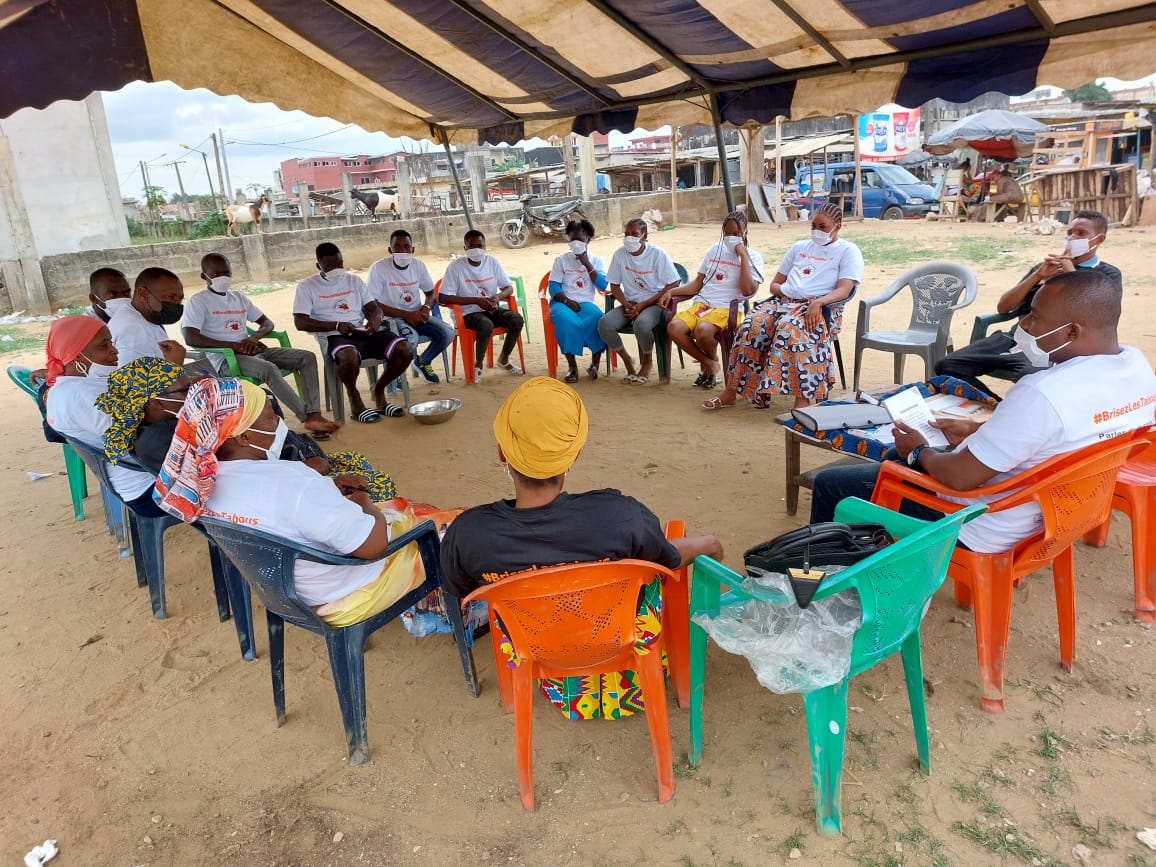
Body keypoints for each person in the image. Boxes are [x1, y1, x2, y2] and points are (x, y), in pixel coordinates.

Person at [809, 270, 1156, 554]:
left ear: (1071, 331)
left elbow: (959, 477)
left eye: (1034, 318)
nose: (1026, 327)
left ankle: (825, 587)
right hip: (1059, 512)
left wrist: (917, 450)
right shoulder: (1136, 368)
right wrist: (977, 433)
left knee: (833, 483)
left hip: (983, 522)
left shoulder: (1044, 394)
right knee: (899, 462)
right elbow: (1063, 438)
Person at [441, 377, 724, 720]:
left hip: (536, 649)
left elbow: (462, 589)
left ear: (502, 452)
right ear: (572, 455)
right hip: (621, 640)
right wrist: (707, 544)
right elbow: (667, 556)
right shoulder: (620, 516)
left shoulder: (468, 535)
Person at [152, 378, 423, 627]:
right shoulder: (293, 479)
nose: (280, 425)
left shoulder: (200, 484)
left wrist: (325, 488)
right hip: (343, 593)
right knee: (431, 524)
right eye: (271, 418)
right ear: (244, 436)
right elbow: (373, 547)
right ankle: (436, 607)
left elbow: (275, 506)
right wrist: (363, 500)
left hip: (284, 593)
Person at [935, 210, 1122, 396]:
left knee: (1031, 381)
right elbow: (1004, 307)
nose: (1072, 238)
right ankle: (997, 407)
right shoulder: (1045, 268)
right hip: (1017, 337)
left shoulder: (1106, 275)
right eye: (1069, 233)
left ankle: (1012, 412)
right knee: (947, 365)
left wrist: (1070, 272)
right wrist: (1037, 275)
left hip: (1053, 346)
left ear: (1099, 239)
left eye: (1081, 234)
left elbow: (1093, 315)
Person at [706, 202, 862, 411]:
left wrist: (818, 301)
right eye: (813, 226)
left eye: (822, 227)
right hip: (783, 302)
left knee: (790, 329)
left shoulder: (848, 251)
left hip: (818, 307)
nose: (816, 231)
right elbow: (774, 284)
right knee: (750, 327)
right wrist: (786, 292)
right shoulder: (799, 247)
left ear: (838, 226)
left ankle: (803, 398)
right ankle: (732, 391)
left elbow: (844, 289)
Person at [184, 253, 339, 437]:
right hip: (227, 358)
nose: (223, 277)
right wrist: (234, 346)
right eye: (216, 274)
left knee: (306, 357)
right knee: (269, 369)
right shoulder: (198, 301)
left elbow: (267, 323)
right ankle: (307, 419)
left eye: (226, 272)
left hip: (252, 350)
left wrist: (253, 338)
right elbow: (190, 337)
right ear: (205, 276)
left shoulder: (238, 298)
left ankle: (315, 414)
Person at [41, 316, 164, 516]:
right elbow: (137, 434)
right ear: (77, 355)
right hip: (148, 488)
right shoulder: (79, 395)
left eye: (112, 343)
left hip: (139, 475)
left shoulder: (72, 386)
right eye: (103, 346)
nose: (114, 350)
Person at [292, 242, 412, 423]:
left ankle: (379, 389)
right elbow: (300, 322)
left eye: (339, 264)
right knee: (348, 356)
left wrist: (374, 320)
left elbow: (376, 309)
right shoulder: (307, 286)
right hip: (334, 336)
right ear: (319, 266)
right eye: (330, 266)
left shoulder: (354, 281)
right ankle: (355, 401)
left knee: (405, 349)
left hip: (361, 332)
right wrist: (336, 324)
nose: (337, 269)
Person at [661, 210, 764, 390]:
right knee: (674, 327)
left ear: (745, 232)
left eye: (736, 234)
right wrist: (672, 291)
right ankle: (710, 363)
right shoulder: (714, 250)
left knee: (703, 330)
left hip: (728, 309)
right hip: (703, 304)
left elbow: (747, 291)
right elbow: (697, 284)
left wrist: (743, 257)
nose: (731, 237)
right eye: (727, 233)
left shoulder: (753, 257)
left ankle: (708, 369)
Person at [365, 229, 455, 384]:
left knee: (447, 333)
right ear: (390, 250)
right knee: (410, 339)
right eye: (397, 247)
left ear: (412, 249)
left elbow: (431, 293)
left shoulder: (418, 265)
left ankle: (423, 361)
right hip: (391, 318)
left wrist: (426, 308)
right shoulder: (379, 268)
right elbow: (373, 304)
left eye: (406, 247)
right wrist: (406, 315)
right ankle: (395, 374)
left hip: (417, 315)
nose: (402, 251)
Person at [597, 218, 681, 384]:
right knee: (604, 324)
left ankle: (647, 361)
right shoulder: (620, 254)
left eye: (634, 234)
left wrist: (643, 305)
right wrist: (626, 303)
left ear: (644, 236)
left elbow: (674, 283)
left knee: (641, 324)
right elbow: (614, 286)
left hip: (655, 303)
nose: (629, 237)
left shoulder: (657, 254)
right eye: (627, 233)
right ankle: (628, 361)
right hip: (631, 304)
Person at [438, 229, 524, 381]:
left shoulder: (491, 262)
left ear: (485, 247)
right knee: (485, 324)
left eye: (480, 245)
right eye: (472, 246)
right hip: (467, 313)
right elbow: (443, 297)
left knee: (516, 319)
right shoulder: (456, 267)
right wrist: (476, 300)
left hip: (491, 309)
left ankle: (503, 359)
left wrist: (497, 297)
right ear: (465, 248)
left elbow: (508, 288)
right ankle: (478, 365)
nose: (476, 249)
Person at [546, 219, 607, 383]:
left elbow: (603, 285)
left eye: (579, 240)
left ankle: (594, 364)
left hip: (586, 303)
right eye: (572, 240)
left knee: (598, 319)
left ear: (589, 238)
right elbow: (553, 288)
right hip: (562, 302)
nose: (575, 243)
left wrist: (586, 263)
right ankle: (572, 367)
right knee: (566, 321)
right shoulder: (561, 260)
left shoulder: (597, 260)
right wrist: (566, 301)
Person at [108, 267, 189, 367]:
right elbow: (134, 381)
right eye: (170, 297)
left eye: (180, 299)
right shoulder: (134, 329)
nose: (176, 304)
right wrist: (175, 365)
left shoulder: (140, 315)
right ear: (143, 294)